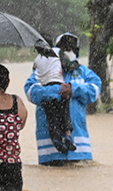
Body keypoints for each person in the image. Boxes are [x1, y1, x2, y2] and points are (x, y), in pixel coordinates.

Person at [25, 33, 101, 166]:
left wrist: (73, 89)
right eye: (64, 48)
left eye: (71, 48)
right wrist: (57, 90)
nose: (68, 51)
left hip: (79, 148)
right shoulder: (43, 70)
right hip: (49, 149)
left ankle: (67, 137)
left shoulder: (83, 72)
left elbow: (95, 90)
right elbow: (31, 92)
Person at [32, 38, 76, 154]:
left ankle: (56, 139)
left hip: (47, 90)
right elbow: (68, 65)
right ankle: (67, 135)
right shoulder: (57, 52)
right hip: (60, 87)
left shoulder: (36, 60)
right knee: (64, 113)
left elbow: (35, 75)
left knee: (52, 117)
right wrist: (73, 65)